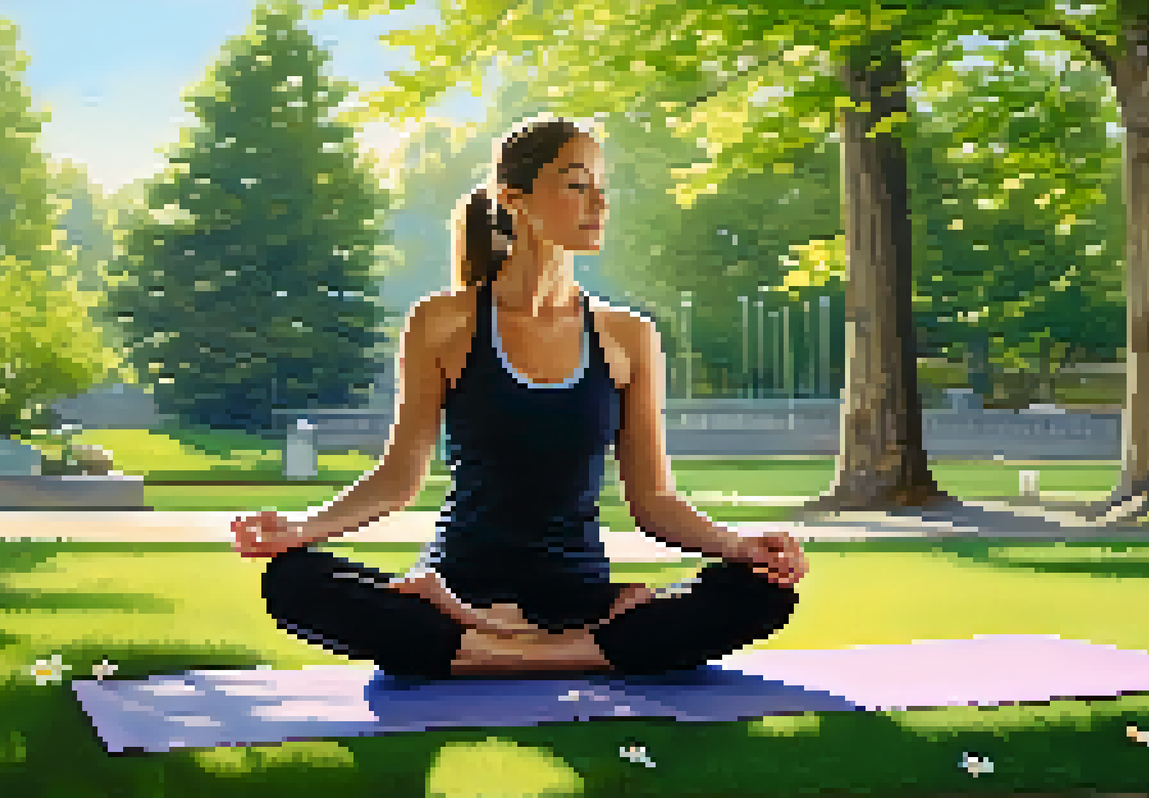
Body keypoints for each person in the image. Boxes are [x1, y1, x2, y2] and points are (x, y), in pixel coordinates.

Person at [233, 115, 808, 679]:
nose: (599, 204)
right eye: (577, 185)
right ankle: (575, 652)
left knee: (764, 593)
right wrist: (300, 530)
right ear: (515, 199)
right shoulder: (443, 322)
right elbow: (399, 477)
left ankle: (491, 648)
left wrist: (743, 546)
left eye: (601, 188)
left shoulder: (628, 335)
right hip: (455, 585)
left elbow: (654, 502)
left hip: (574, 596)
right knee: (292, 580)